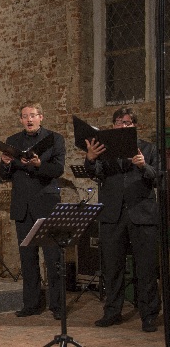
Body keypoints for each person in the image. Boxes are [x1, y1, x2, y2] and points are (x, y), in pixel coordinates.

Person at [84, 107, 160, 332]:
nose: (122, 125)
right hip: (112, 215)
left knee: (145, 268)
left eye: (127, 122)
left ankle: (149, 315)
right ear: (113, 126)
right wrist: (90, 158)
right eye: (118, 122)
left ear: (134, 125)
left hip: (141, 214)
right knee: (112, 267)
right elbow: (94, 172)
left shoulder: (148, 147)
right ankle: (112, 312)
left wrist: (142, 165)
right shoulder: (105, 150)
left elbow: (157, 177)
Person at [0, 101, 65, 320]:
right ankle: (31, 304)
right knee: (28, 259)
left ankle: (57, 305)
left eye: (33, 115)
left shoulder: (54, 139)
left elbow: (57, 169)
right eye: (25, 116)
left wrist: (38, 165)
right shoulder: (12, 141)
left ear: (41, 117)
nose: (29, 119)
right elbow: (4, 175)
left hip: (47, 204)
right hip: (23, 206)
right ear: (20, 119)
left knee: (53, 258)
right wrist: (6, 163)